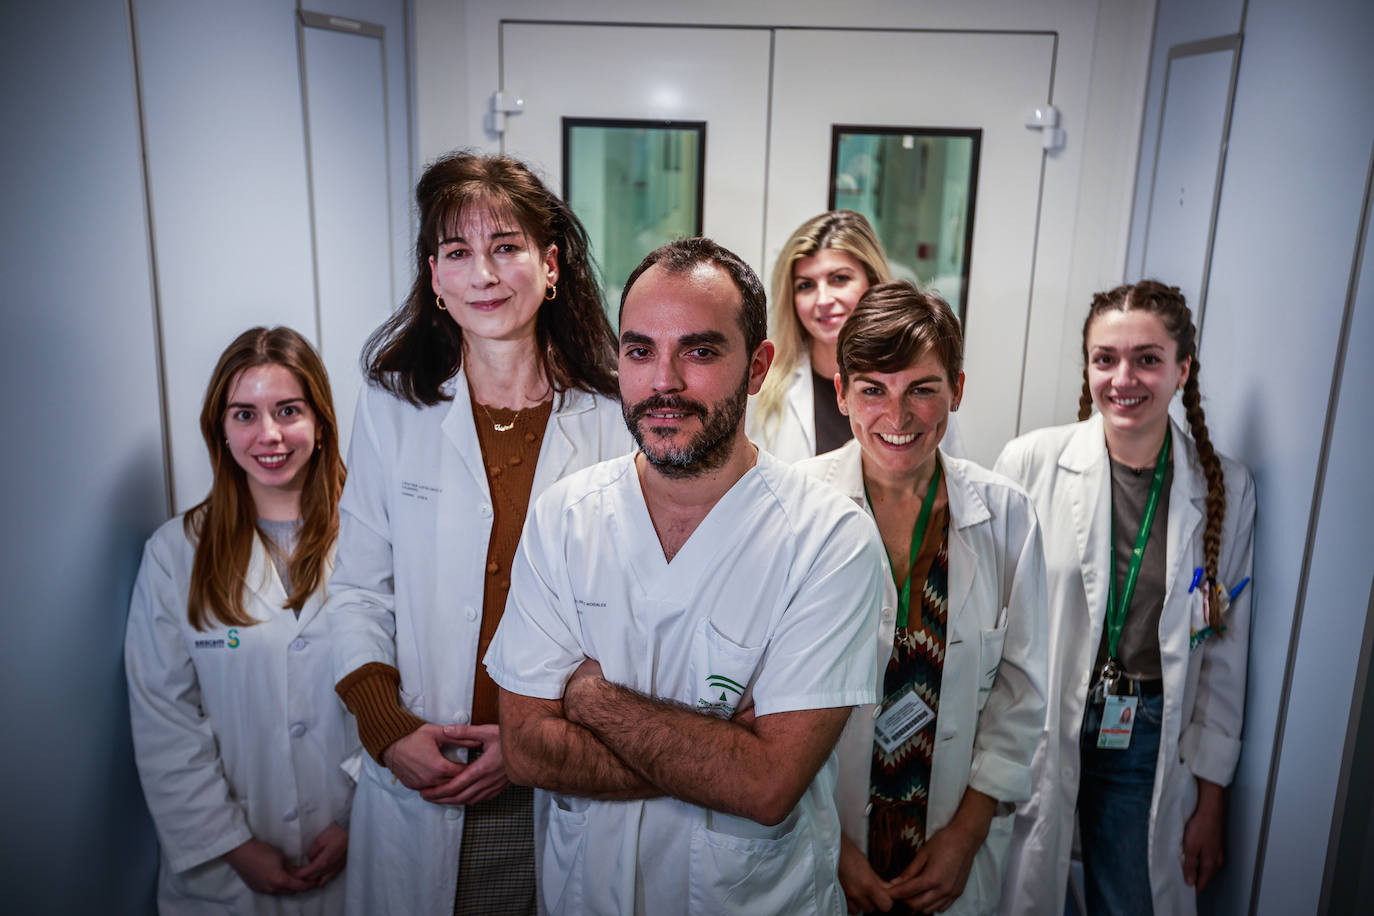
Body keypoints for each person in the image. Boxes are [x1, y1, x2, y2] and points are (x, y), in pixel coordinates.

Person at [486, 237, 887, 915]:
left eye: (699, 352)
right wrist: (721, 748)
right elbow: (525, 750)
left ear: (757, 367)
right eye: (640, 351)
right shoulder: (565, 519)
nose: (663, 382)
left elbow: (767, 786)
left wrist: (591, 701)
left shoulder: (829, 540)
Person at [324, 152, 631, 915]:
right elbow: (358, 587)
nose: (484, 274)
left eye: (506, 246)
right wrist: (388, 728)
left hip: (555, 774)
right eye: (458, 252)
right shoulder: (395, 406)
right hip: (421, 765)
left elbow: (629, 611)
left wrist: (535, 738)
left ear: (550, 265)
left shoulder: (610, 416)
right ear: (435, 276)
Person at [994, 281, 1256, 916]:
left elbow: (1223, 654)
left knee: (1131, 900)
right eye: (1105, 358)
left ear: (1182, 369)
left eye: (1147, 359)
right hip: (1040, 721)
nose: (1123, 378)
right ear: (1088, 366)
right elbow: (988, 625)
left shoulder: (1224, 486)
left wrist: (1212, 801)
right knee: (1021, 894)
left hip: (1145, 735)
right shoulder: (1030, 463)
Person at [797, 282, 1047, 915]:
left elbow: (1020, 696)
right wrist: (832, 847)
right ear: (841, 393)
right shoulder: (793, 510)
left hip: (948, 851)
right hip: (818, 843)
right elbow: (761, 703)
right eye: (873, 390)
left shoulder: (1007, 516)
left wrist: (966, 837)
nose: (898, 417)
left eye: (922, 389)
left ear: (956, 390)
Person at [125, 326, 355, 914]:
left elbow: (414, 690)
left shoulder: (375, 537)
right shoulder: (175, 554)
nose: (268, 434)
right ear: (221, 430)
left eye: (288, 410)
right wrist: (231, 844)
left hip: (363, 849)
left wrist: (359, 811)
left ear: (320, 423)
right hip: (227, 879)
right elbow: (164, 718)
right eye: (245, 415)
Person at [748, 210, 965, 463]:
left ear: (873, 283)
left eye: (839, 279)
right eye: (805, 285)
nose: (823, 300)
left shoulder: (924, 381)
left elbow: (947, 474)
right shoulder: (762, 387)